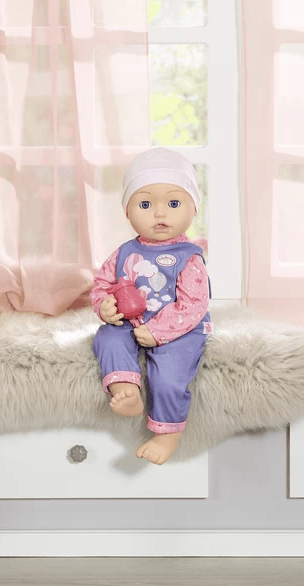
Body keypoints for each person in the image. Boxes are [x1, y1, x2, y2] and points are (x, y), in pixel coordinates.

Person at [91, 147, 212, 465]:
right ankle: (125, 389)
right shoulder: (123, 253)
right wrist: (105, 306)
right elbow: (102, 285)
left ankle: (167, 434)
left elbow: (193, 305)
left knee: (169, 376)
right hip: (130, 323)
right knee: (107, 337)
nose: (160, 214)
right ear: (127, 212)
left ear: (194, 209)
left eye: (173, 203)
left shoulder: (188, 257)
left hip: (178, 329)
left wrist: (158, 331)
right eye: (145, 204)